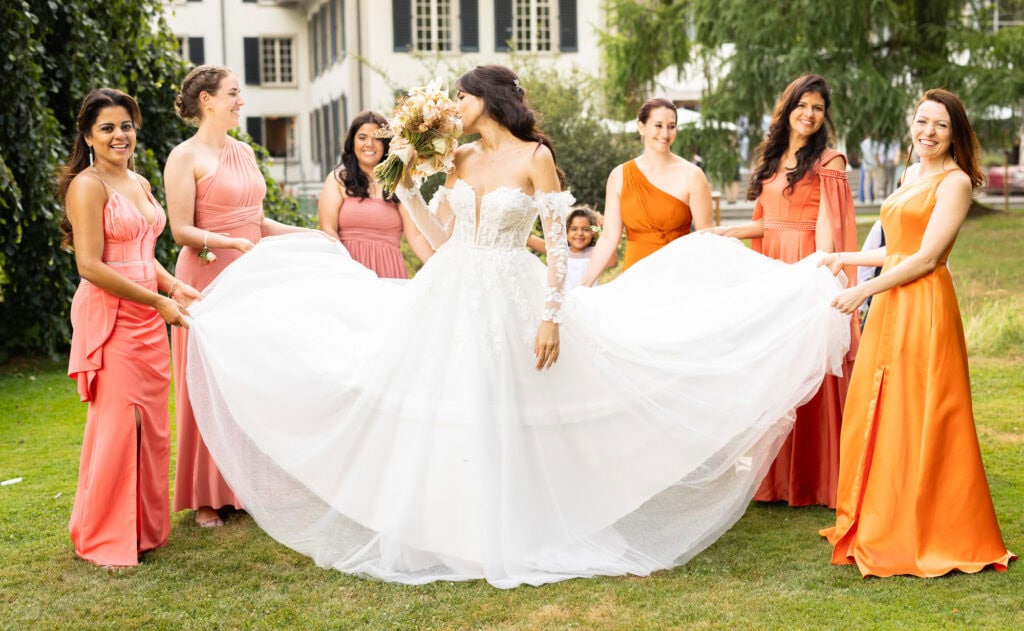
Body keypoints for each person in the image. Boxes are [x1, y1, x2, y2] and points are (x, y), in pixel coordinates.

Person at [183, 64, 852, 588]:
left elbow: (558, 245)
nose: (455, 105)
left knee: (513, 407)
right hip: (453, 288)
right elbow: (441, 237)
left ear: (488, 100)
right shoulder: (457, 158)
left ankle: (522, 522)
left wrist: (552, 315)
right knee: (445, 405)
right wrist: (408, 187)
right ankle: (448, 525)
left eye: (462, 96)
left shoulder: (535, 157)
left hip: (513, 289)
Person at [819, 89, 1014, 577]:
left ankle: (927, 527)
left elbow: (927, 259)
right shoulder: (910, 174)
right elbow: (899, 249)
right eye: (922, 121)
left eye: (940, 125)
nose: (928, 132)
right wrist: (846, 258)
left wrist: (864, 290)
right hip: (892, 299)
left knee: (919, 411)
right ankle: (881, 517)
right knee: (881, 407)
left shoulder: (956, 183)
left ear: (955, 133)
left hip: (923, 305)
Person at [164, 64, 312, 528]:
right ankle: (206, 495)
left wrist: (309, 235)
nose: (240, 101)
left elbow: (257, 222)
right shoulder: (183, 157)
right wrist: (229, 242)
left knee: (247, 379)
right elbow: (180, 230)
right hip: (205, 277)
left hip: (250, 277)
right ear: (207, 100)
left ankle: (244, 486)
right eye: (232, 93)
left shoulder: (244, 152)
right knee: (204, 382)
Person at [59, 88, 199, 567]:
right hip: (111, 316)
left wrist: (173, 285)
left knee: (152, 427)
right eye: (107, 128)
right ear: (88, 137)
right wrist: (158, 300)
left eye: (125, 126)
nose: (119, 135)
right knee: (121, 425)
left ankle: (142, 530)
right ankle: (104, 535)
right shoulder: (88, 186)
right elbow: (91, 265)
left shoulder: (138, 181)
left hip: (149, 314)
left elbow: (141, 252)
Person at [710, 74, 859, 508]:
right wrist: (726, 232)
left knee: (811, 364)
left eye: (818, 108)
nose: (809, 114)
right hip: (774, 265)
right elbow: (769, 221)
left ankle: (817, 479)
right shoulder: (773, 157)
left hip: (806, 264)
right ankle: (776, 479)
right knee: (778, 366)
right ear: (788, 108)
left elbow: (828, 221)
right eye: (802, 105)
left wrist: (819, 271)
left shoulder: (830, 160)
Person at [579, 98, 713, 286]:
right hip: (635, 278)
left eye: (671, 126)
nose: (665, 133)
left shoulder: (693, 175)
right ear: (641, 127)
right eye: (658, 125)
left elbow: (706, 237)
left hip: (678, 277)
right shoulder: (619, 176)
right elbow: (609, 237)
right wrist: (583, 285)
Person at [318, 111, 433, 278]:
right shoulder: (337, 180)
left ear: (386, 143)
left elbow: (415, 236)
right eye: (362, 137)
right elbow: (328, 230)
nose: (369, 144)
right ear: (352, 142)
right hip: (347, 271)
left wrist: (440, 269)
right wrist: (347, 270)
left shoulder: (399, 182)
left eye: (377, 138)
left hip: (388, 273)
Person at [527, 205, 616, 290]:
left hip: (587, 297)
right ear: (566, 231)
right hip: (565, 298)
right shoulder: (559, 251)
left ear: (593, 232)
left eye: (586, 229)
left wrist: (603, 228)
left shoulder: (596, 252)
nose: (580, 233)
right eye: (574, 229)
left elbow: (612, 263)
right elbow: (528, 239)